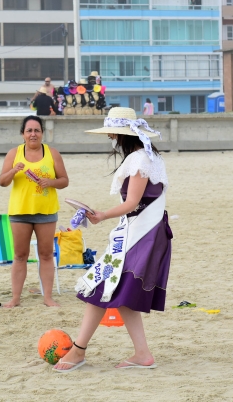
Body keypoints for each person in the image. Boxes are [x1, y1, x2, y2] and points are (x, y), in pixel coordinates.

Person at [53, 107, 172, 372]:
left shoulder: (140, 159)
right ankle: (142, 353)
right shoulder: (148, 156)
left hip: (142, 234)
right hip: (146, 232)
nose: (110, 137)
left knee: (102, 284)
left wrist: (101, 214)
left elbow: (132, 202)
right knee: (121, 291)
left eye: (112, 133)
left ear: (121, 134)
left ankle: (78, 350)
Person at [0, 116, 69, 308]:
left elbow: (64, 180)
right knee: (20, 255)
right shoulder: (14, 153)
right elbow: (2, 182)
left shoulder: (52, 153)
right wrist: (14, 170)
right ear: (23, 134)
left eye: (37, 130)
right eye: (29, 130)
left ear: (42, 133)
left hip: (46, 211)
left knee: (46, 254)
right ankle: (15, 298)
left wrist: (51, 182)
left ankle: (47, 297)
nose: (33, 134)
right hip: (20, 211)